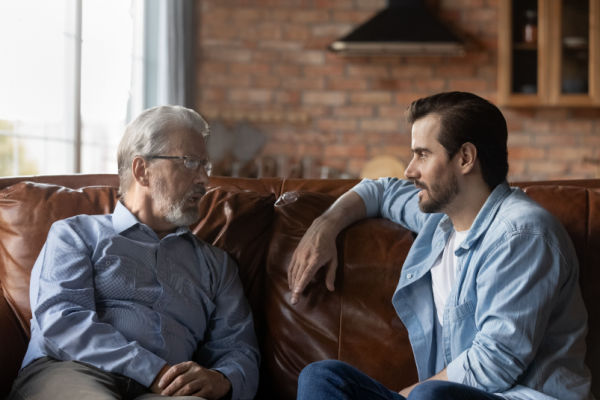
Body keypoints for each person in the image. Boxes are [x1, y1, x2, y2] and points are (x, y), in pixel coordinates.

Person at [288, 92, 593, 400]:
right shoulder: (440, 219)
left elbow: (494, 365)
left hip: (522, 396)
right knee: (322, 378)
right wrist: (324, 226)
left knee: (429, 396)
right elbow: (378, 190)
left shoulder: (522, 234)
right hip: (442, 397)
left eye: (422, 155)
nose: (409, 170)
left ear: (465, 158)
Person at [8, 105, 260, 400]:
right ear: (142, 170)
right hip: (72, 370)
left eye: (206, 166)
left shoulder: (217, 265)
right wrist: (151, 369)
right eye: (191, 163)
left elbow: (239, 348)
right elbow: (63, 320)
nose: (204, 179)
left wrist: (221, 378)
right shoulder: (75, 235)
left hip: (166, 391)